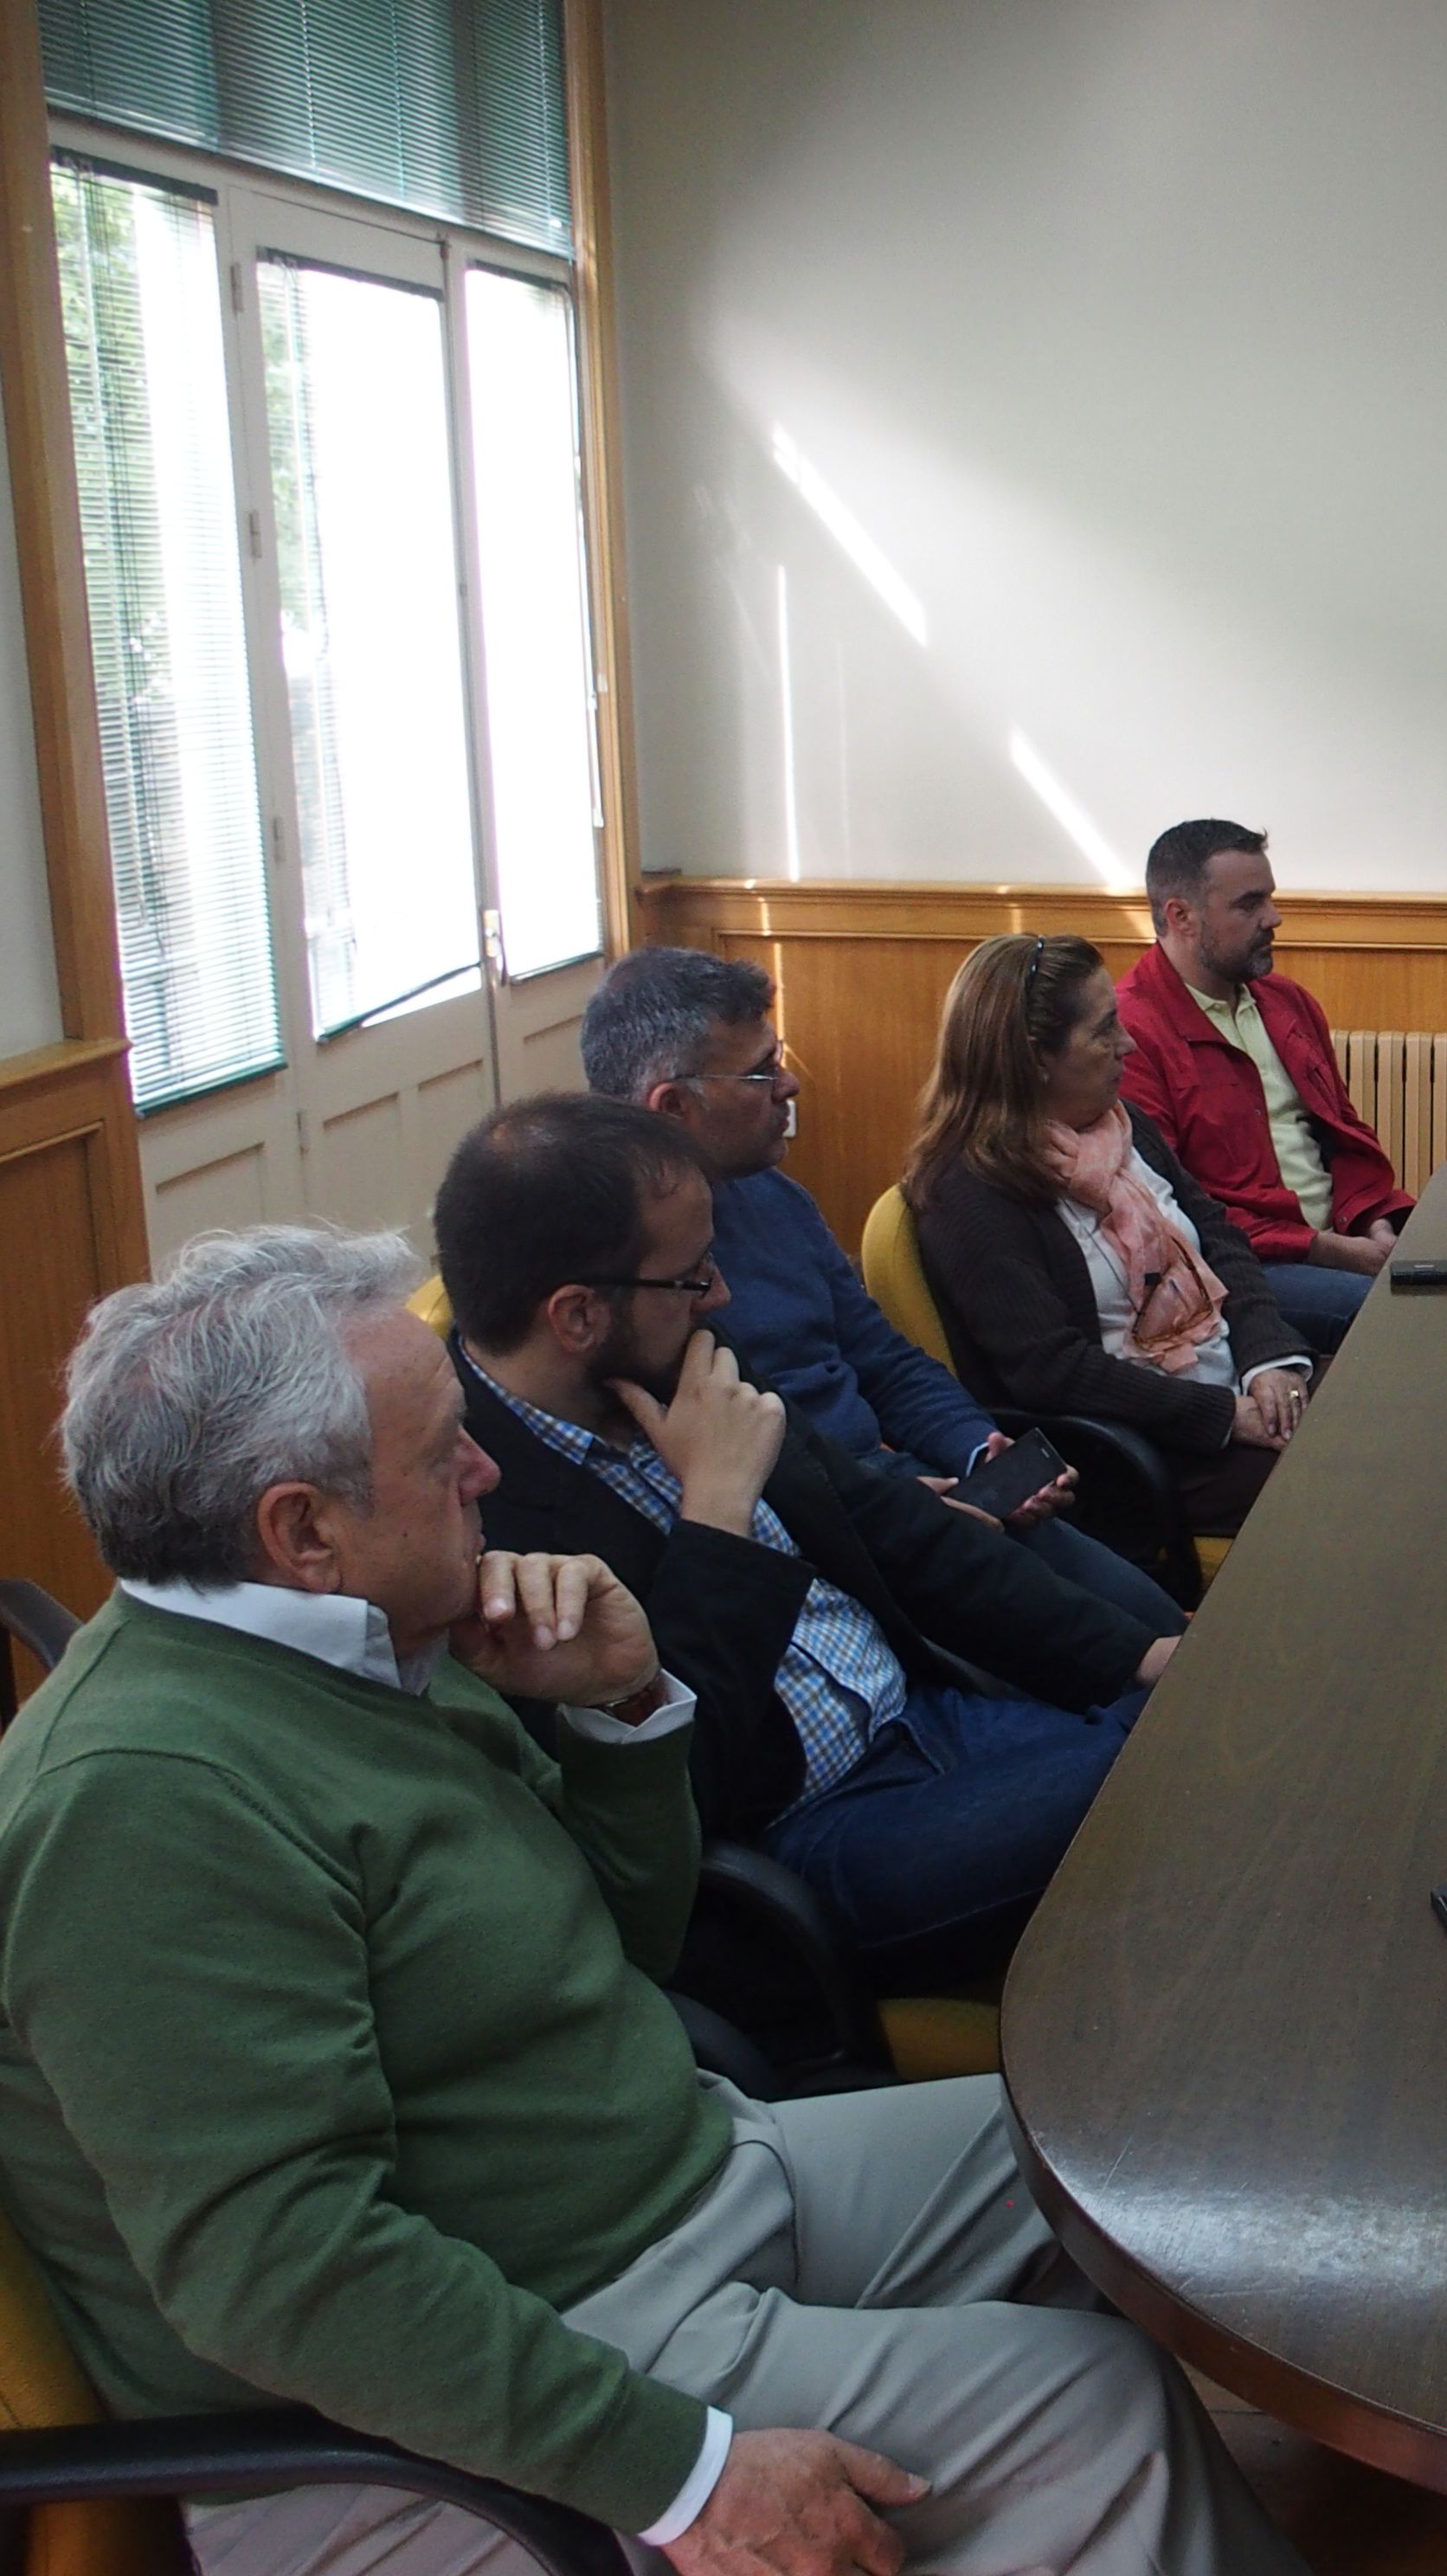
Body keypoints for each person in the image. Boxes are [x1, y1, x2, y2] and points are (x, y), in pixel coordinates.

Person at [3, 1226, 1300, 2576]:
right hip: (508, 2367)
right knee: (1104, 2420)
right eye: (443, 1451)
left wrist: (624, 1707)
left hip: (677, 2180)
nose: (486, 1472)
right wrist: (685, 2478)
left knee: (1125, 2156)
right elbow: (282, 2278)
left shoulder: (381, 1640)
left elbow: (626, 1942)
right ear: (301, 1529)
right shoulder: (140, 1802)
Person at [438, 1096, 1177, 1990]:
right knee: (1184, 1776)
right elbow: (673, 1795)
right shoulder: (471, 1520)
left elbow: (900, 1531)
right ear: (577, 1317)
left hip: (927, 1715)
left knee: (1205, 1710)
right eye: (690, 1276)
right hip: (811, 1834)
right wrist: (716, 1509)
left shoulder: (674, 1355)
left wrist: (1141, 1654)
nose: (720, 1294)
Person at [580, 943, 1185, 1639]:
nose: (789, 1087)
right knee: (1128, 1668)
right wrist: (887, 1502)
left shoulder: (776, 1197)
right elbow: (709, 1476)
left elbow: (882, 1359)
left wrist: (976, 1449)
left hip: (918, 1493)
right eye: (761, 1072)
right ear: (674, 1106)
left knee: (1157, 1627)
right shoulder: (621, 1276)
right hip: (814, 1539)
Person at [910, 933, 1313, 1538]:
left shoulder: (1121, 1126)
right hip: (1150, 1453)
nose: (1126, 1045)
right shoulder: (969, 1192)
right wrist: (1227, 1415)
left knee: (1399, 1409)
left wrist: (1268, 1363)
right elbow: (1053, 1372)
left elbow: (1220, 1238)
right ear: (1033, 1058)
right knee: (1360, 1489)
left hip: (1229, 1390)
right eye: (1103, 1032)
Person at [1116, 819, 1416, 1354]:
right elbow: (1173, 1211)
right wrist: (1331, 1250)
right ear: (1180, 917)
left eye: (1270, 898)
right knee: (1399, 1320)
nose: (1273, 918)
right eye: (1249, 904)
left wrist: (1374, 1222)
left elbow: (1341, 1138)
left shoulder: (1288, 1003)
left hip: (1342, 1238)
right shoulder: (1132, 1032)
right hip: (1245, 1266)